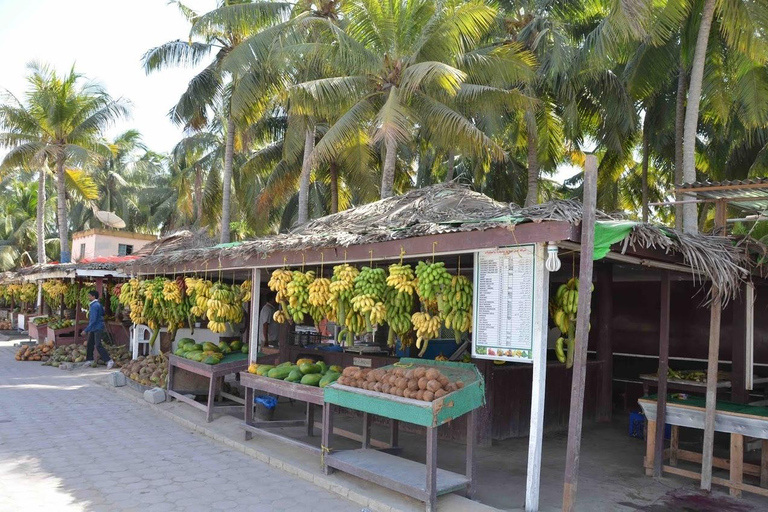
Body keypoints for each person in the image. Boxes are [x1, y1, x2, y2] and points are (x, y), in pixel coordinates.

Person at [82, 290, 114, 369]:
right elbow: (103, 313)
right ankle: (89, 360)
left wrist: (86, 330)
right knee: (90, 344)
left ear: (93, 297)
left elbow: (93, 320)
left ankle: (109, 360)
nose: (88, 297)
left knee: (98, 345)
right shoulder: (98, 304)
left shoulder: (94, 306)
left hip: (97, 328)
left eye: (89, 296)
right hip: (94, 327)